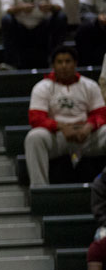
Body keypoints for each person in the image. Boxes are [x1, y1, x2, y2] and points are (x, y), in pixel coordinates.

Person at [25, 45, 106, 186]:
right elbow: (36, 118)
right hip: (57, 137)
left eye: (68, 61)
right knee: (34, 137)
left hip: (86, 135)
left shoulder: (89, 85)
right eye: (59, 62)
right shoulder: (42, 87)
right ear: (53, 65)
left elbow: (101, 113)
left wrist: (88, 127)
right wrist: (60, 126)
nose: (64, 66)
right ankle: (40, 189)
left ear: (75, 63)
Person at [77, 0, 106, 67]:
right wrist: (97, 18)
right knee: (84, 30)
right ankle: (86, 70)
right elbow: (83, 12)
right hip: (99, 26)